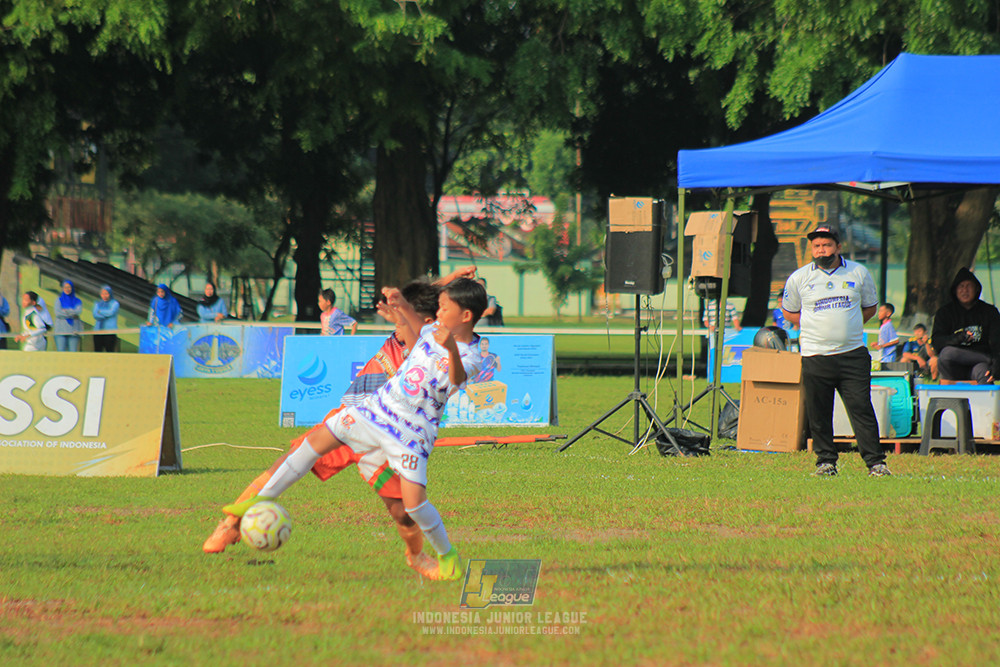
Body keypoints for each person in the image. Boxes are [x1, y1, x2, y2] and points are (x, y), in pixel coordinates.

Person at [203, 267, 478, 576]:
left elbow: (442, 333)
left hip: (394, 436)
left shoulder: (431, 344)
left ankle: (416, 557)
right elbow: (418, 299)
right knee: (296, 456)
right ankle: (230, 523)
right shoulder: (408, 332)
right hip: (358, 417)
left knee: (403, 512)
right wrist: (448, 280)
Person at [781, 225, 891, 477]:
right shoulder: (799, 278)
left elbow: (869, 308)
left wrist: (845, 324)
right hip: (815, 355)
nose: (821, 250)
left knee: (861, 408)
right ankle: (826, 462)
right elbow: (789, 311)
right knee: (818, 413)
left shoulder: (859, 272)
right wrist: (816, 326)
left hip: (852, 355)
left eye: (827, 245)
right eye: (817, 246)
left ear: (838, 247)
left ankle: (876, 463)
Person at [930, 268, 1000, 385]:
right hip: (954, 366)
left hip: (978, 364)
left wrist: (997, 364)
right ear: (955, 290)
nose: (965, 290)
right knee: (946, 353)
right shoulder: (945, 312)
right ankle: (988, 359)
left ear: (976, 289)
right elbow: (936, 341)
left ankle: (985, 403)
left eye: (969, 286)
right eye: (961, 286)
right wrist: (957, 338)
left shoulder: (989, 312)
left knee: (984, 373)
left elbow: (997, 341)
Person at [53, 279, 83, 352]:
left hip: (74, 330)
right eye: (65, 287)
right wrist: (72, 313)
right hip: (60, 330)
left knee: (73, 352)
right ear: (62, 288)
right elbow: (58, 313)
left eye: (69, 287)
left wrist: (66, 310)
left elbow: (78, 311)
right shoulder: (59, 300)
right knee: (61, 352)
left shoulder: (77, 301)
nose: (67, 289)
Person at [92, 285, 120, 353]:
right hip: (98, 331)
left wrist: (100, 311)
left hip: (110, 331)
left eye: (106, 293)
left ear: (110, 294)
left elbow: (111, 312)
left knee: (109, 350)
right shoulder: (97, 304)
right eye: (102, 293)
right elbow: (95, 315)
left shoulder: (115, 303)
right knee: (97, 351)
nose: (104, 296)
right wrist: (104, 316)